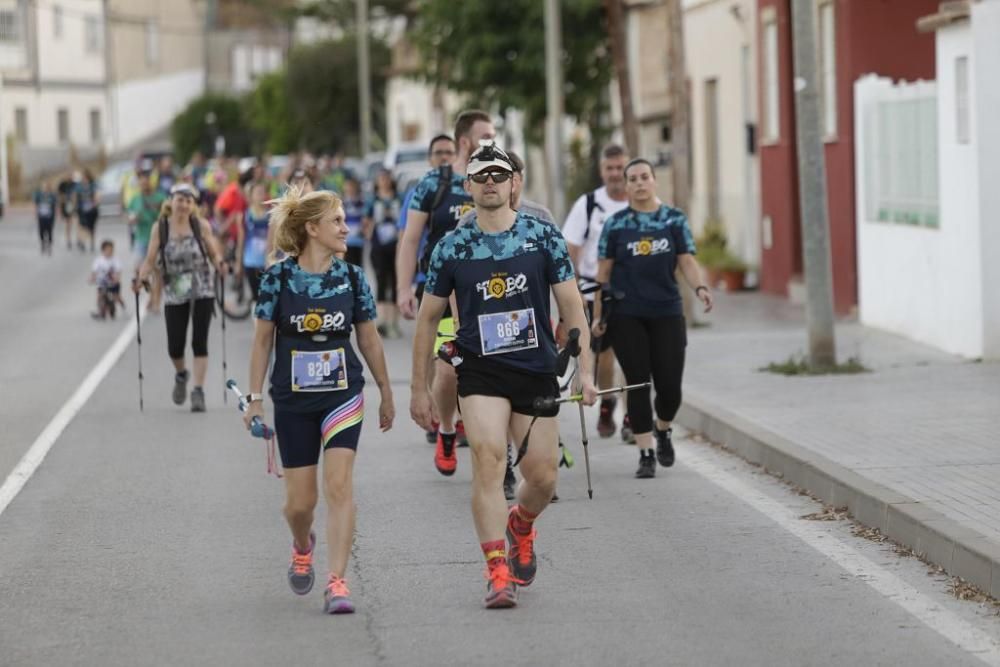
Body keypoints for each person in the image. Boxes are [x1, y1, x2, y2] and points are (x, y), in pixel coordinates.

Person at [410, 142, 597, 608]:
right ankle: (497, 571)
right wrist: (419, 388)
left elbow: (572, 305)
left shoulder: (542, 237)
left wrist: (585, 371)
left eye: (498, 173)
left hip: (534, 369)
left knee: (543, 477)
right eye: (481, 175)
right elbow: (428, 318)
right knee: (490, 460)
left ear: (513, 182)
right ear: (469, 185)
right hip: (481, 371)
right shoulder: (451, 246)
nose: (490, 181)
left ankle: (521, 525)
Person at [244, 185, 394, 615]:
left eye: (345, 220)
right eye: (337, 221)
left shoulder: (351, 277)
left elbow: (368, 336)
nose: (347, 228)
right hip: (293, 400)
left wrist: (386, 391)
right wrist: (255, 400)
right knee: (299, 504)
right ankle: (301, 543)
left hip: (343, 395)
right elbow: (261, 343)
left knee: (340, 486)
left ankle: (338, 581)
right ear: (312, 228)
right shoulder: (278, 278)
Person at [592, 158, 714, 478]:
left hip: (667, 311)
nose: (639, 183)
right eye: (632, 179)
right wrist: (598, 316)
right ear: (627, 186)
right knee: (637, 382)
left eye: (644, 177)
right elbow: (603, 274)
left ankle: (663, 429)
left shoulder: (673, 219)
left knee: (670, 387)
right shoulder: (616, 225)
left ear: (654, 181)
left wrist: (700, 287)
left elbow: (686, 260)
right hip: (626, 314)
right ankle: (646, 452)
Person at [398, 111, 496, 474]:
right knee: (448, 370)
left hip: (489, 292)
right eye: (486, 136)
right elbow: (410, 240)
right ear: (465, 142)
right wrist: (403, 287)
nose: (493, 142)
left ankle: (484, 434)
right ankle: (447, 429)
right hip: (442, 289)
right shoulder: (432, 185)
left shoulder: (493, 180)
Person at [561, 144, 632, 442]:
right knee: (603, 357)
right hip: (594, 292)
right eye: (610, 168)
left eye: (620, 168)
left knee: (632, 356)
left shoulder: (640, 202)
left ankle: (633, 416)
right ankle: (608, 401)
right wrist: (572, 292)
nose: (615, 174)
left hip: (632, 291)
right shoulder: (588, 204)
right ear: (602, 171)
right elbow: (571, 248)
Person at [134, 183, 226, 413]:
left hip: (202, 289)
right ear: (171, 201)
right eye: (180, 199)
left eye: (188, 200)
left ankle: (198, 391)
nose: (183, 204)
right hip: (175, 291)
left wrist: (221, 265)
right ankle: (181, 374)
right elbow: (150, 258)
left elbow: (214, 252)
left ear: (193, 205)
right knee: (175, 345)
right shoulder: (161, 228)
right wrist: (141, 277)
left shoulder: (200, 225)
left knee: (199, 341)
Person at [397, 134, 456, 444]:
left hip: (465, 284)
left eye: (449, 151)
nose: (444, 157)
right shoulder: (424, 190)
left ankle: (455, 413)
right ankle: (436, 411)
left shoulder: (467, 185)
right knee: (436, 353)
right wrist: (403, 287)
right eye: (438, 152)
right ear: (430, 158)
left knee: (454, 353)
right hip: (429, 283)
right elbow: (406, 239)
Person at [364, 169, 401, 339]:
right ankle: (381, 322)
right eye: (381, 179)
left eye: (386, 178)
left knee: (394, 283)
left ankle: (393, 322)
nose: (384, 182)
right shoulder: (373, 200)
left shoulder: (397, 198)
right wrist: (369, 233)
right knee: (380, 281)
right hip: (379, 246)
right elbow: (367, 220)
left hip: (396, 246)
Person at [127, 170, 168, 312]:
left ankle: (156, 301)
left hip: (157, 238)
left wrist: (155, 211)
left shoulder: (160, 197)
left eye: (146, 182)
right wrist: (133, 218)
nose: (144, 185)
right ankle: (150, 295)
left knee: (157, 271)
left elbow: (166, 216)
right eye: (141, 183)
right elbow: (129, 217)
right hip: (141, 238)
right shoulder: (135, 200)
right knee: (138, 270)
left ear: (151, 182)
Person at [236, 182, 271, 302]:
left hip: (268, 263)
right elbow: (241, 241)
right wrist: (238, 264)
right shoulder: (244, 216)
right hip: (250, 262)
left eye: (263, 192)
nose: (261, 195)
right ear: (250, 196)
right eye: (258, 193)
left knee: (267, 297)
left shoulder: (271, 215)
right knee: (256, 298)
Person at [89, 239, 125, 319]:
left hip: (113, 282)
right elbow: (94, 271)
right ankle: (99, 309)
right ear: (103, 250)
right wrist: (92, 278)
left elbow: (118, 271)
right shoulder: (99, 260)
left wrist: (117, 278)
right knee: (99, 295)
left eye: (111, 250)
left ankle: (122, 304)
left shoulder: (115, 260)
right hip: (102, 282)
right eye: (107, 250)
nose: (109, 252)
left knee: (116, 296)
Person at [341, 177, 366, 267]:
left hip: (358, 241)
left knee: (358, 266)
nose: (350, 189)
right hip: (345, 241)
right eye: (347, 187)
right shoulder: (341, 203)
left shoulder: (362, 202)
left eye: (351, 186)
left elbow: (365, 219)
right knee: (347, 267)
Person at [76, 169, 99, 254]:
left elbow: (97, 196)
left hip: (92, 210)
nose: (84, 179)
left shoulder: (93, 185)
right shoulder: (79, 187)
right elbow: (75, 197)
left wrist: (95, 203)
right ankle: (82, 241)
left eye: (85, 177)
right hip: (82, 210)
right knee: (83, 226)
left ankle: (92, 243)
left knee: (91, 228)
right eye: (83, 178)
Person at [33, 181, 58, 255]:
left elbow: (55, 205)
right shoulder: (39, 195)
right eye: (43, 187)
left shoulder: (52, 195)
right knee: (41, 231)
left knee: (49, 231)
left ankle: (49, 246)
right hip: (41, 216)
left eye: (46, 187)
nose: (45, 189)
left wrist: (56, 214)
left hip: (50, 217)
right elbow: (36, 204)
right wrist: (35, 213)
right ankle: (43, 244)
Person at [57, 173, 77, 250]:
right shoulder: (62, 184)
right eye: (68, 175)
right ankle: (68, 239)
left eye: (71, 175)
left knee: (76, 222)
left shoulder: (75, 184)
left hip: (74, 205)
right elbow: (60, 196)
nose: (70, 177)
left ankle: (78, 238)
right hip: (66, 206)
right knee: (68, 223)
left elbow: (76, 195)